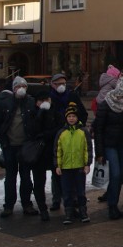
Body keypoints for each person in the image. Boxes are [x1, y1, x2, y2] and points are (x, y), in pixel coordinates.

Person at [0, 77, 41, 218]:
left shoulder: (31, 102)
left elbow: (37, 121)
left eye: (23, 86)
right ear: (13, 88)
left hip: (25, 146)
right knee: (10, 177)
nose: (21, 88)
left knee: (26, 177)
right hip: (10, 146)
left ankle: (27, 204)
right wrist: (3, 141)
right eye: (18, 86)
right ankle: (8, 205)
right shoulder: (5, 103)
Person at [93, 76, 123, 220]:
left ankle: (114, 204)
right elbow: (98, 129)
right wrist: (99, 152)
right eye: (122, 94)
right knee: (115, 174)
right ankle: (112, 206)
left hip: (122, 144)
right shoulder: (106, 104)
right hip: (109, 145)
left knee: (121, 174)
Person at [48, 72, 88, 211]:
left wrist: (78, 127)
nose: (61, 86)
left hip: (72, 136)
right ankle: (56, 199)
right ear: (52, 84)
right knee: (57, 170)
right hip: (55, 136)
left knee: (73, 171)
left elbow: (83, 113)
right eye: (58, 84)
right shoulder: (50, 98)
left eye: (63, 84)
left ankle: (74, 199)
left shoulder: (72, 96)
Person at [55, 103, 93, 225]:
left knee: (80, 191)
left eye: (74, 116)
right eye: (69, 116)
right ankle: (68, 213)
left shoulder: (83, 132)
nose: (71, 118)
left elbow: (88, 148)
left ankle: (83, 211)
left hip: (79, 166)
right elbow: (57, 150)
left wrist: (87, 164)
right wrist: (58, 165)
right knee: (67, 192)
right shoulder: (62, 133)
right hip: (65, 167)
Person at [24, 90, 58, 222]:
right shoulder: (33, 113)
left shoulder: (54, 112)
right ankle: (43, 209)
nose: (45, 103)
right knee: (39, 182)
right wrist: (40, 114)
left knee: (59, 179)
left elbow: (59, 128)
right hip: (38, 154)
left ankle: (67, 205)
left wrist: (45, 134)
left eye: (47, 100)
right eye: (41, 101)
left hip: (53, 152)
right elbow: (31, 130)